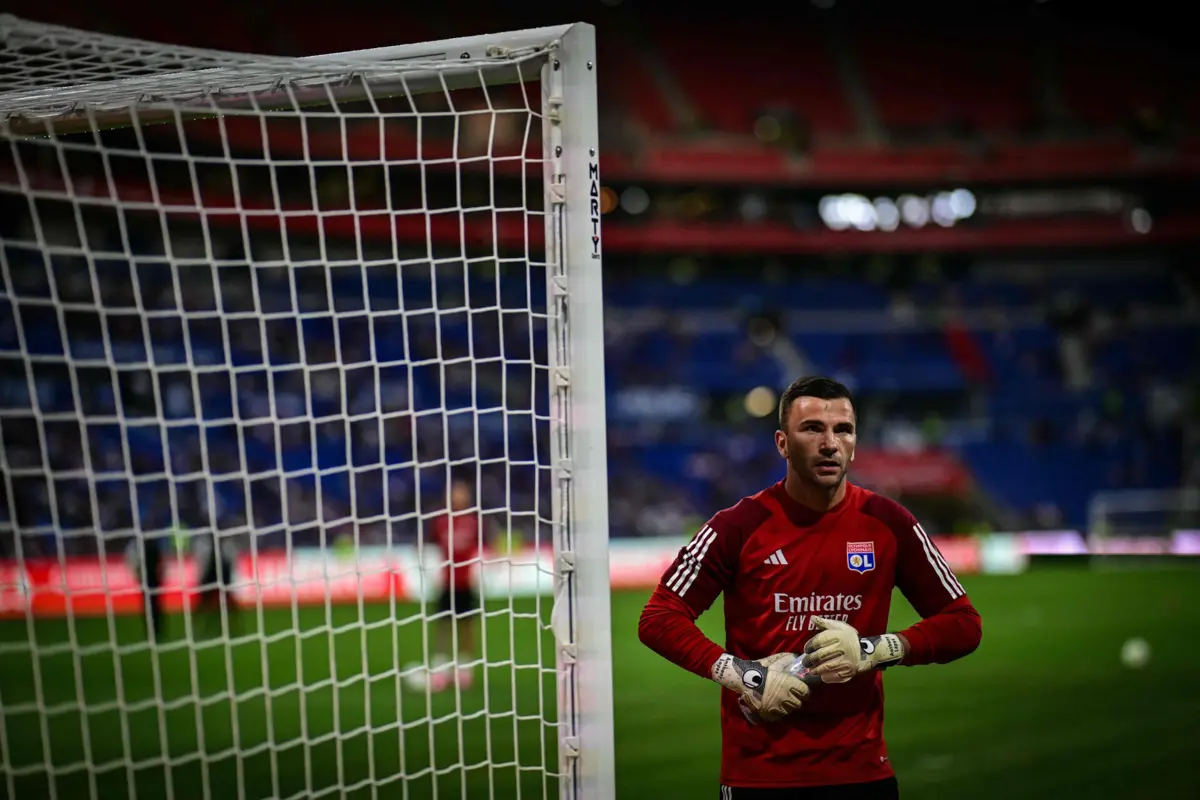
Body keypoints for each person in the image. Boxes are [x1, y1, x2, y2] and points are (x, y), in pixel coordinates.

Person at [638, 376, 983, 798]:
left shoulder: (890, 523)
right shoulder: (737, 527)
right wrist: (746, 677)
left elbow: (963, 623)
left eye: (843, 430)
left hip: (862, 775)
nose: (830, 443)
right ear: (782, 443)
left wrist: (875, 650)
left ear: (855, 442)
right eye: (813, 429)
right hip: (760, 778)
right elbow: (659, 617)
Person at [428, 478, 487, 690]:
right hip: (447, 583)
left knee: (467, 627)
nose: (459, 497)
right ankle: (440, 670)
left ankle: (464, 670)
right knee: (443, 626)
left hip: (466, 583)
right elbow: (428, 543)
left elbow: (486, 545)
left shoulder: (474, 522)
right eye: (456, 493)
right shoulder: (441, 521)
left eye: (462, 493)